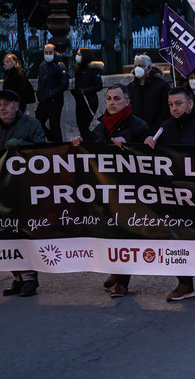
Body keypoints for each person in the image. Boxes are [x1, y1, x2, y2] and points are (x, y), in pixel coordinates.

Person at [142, 88, 195, 302]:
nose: (174, 108)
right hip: (177, 195)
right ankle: (185, 283)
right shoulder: (165, 127)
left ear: (190, 104)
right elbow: (152, 151)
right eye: (170, 104)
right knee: (179, 238)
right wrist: (149, 142)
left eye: (178, 104)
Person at [69, 84, 150, 298]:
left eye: (117, 99)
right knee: (108, 231)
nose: (112, 103)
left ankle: (122, 279)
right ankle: (116, 269)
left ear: (127, 102)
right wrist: (79, 143)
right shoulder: (102, 125)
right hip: (105, 188)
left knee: (124, 232)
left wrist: (129, 146)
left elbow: (149, 157)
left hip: (130, 190)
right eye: (109, 99)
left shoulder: (140, 126)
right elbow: (92, 146)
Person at [0, 89, 47, 297]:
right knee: (5, 233)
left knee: (23, 232)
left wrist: (24, 147)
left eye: (6, 103)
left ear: (16, 105)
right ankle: (17, 277)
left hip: (25, 187)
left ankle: (30, 278)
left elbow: (44, 152)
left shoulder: (32, 125)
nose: (2, 108)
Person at [33, 43, 69, 142]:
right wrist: (39, 94)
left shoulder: (59, 65)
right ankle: (53, 140)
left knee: (54, 125)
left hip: (55, 101)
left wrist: (51, 93)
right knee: (38, 122)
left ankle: (57, 144)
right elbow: (41, 81)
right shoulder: (42, 65)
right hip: (44, 100)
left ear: (54, 52)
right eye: (46, 52)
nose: (48, 54)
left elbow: (64, 84)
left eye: (50, 52)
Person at [128, 54, 170, 132]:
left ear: (149, 68)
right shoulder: (131, 87)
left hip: (154, 131)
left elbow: (165, 111)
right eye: (135, 66)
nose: (137, 68)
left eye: (140, 65)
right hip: (135, 131)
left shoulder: (162, 86)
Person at [70, 48, 104, 142]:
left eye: (80, 54)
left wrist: (83, 91)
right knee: (81, 125)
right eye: (77, 54)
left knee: (85, 126)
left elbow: (98, 85)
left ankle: (95, 141)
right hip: (80, 101)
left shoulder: (92, 69)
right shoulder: (79, 68)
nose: (77, 56)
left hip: (89, 101)